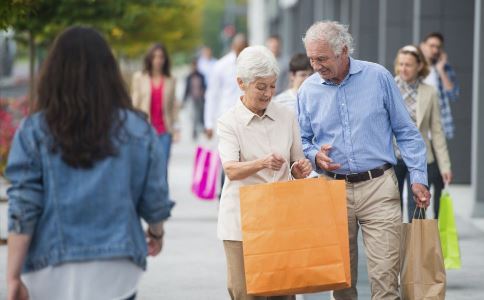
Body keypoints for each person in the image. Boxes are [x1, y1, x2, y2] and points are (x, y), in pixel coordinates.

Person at [5, 26, 173, 300]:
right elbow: (154, 199)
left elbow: (24, 206)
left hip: (50, 267)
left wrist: (12, 276)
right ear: (110, 72)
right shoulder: (138, 129)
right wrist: (156, 233)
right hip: (116, 268)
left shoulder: (34, 130)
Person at [297, 21, 430, 300]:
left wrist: (418, 177)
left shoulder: (378, 77)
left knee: (385, 279)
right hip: (332, 191)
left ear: (343, 51)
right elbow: (303, 140)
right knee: (341, 283)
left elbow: (406, 131)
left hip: (378, 187)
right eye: (312, 59)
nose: (316, 65)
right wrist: (314, 155)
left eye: (322, 58)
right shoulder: (308, 90)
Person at [217, 45, 312, 300]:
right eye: (261, 87)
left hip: (279, 220)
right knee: (244, 292)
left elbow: (297, 162)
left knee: (281, 293)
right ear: (241, 83)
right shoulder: (229, 122)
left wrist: (300, 168)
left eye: (272, 86)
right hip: (240, 223)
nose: (269, 93)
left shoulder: (286, 115)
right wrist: (262, 163)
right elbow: (230, 169)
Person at [393, 45, 452, 221]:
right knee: (393, 209)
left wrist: (445, 165)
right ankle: (397, 248)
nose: (403, 68)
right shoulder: (390, 87)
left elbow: (437, 130)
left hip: (418, 158)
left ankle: (415, 247)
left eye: (408, 65)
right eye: (400, 64)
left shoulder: (430, 92)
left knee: (417, 209)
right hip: (392, 157)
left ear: (419, 66)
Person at [131, 43, 179, 202]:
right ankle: (145, 199)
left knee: (162, 166)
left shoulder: (171, 79)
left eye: (161, 57)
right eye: (155, 57)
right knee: (145, 166)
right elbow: (134, 104)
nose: (158, 60)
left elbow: (173, 106)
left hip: (164, 130)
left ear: (165, 60)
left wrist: (176, 128)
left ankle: (161, 200)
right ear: (149, 59)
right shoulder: (139, 78)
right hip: (145, 131)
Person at [420, 32, 459, 217]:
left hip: (438, 133)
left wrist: (441, 69)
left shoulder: (444, 69)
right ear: (423, 46)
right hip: (420, 134)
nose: (434, 50)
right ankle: (420, 222)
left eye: (438, 47)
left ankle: (435, 223)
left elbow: (453, 94)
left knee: (439, 179)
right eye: (431, 45)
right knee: (423, 179)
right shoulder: (416, 69)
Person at [204, 33, 248, 139]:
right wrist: (208, 123)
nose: (241, 52)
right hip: (227, 117)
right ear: (233, 47)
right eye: (238, 49)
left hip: (247, 118)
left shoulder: (252, 64)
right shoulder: (221, 66)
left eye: (243, 49)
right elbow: (212, 94)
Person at [183, 58, 206, 140]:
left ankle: (201, 128)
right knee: (193, 115)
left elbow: (204, 86)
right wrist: (184, 100)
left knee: (200, 114)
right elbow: (186, 89)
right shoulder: (189, 77)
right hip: (192, 99)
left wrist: (203, 94)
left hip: (200, 98)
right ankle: (194, 131)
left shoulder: (201, 76)